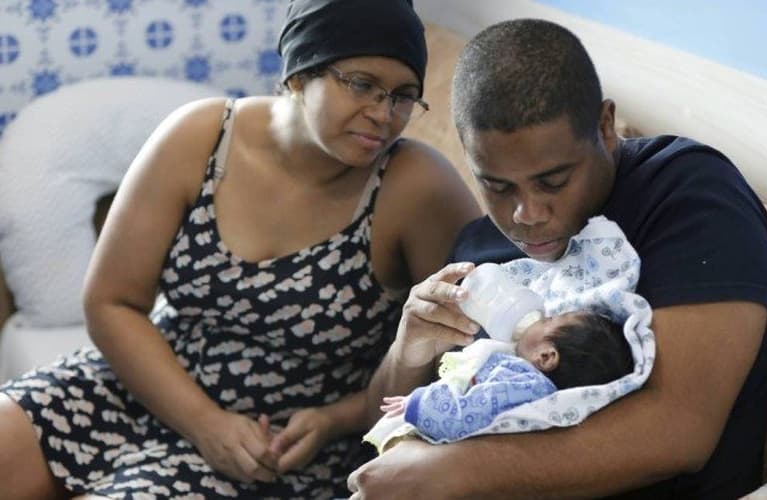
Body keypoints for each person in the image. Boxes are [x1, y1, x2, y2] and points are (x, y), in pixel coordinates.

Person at [0, 0, 480, 498]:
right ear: (300, 73)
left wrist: (336, 419)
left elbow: (463, 352)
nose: (383, 114)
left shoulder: (417, 187)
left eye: (403, 96)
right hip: (147, 384)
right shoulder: (202, 138)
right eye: (361, 84)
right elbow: (111, 302)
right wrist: (204, 422)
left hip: (277, 448)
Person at [349, 18, 767, 500]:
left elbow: (680, 430)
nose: (526, 215)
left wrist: (453, 470)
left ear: (605, 127)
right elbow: (378, 428)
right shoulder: (478, 250)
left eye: (552, 182)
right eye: (497, 185)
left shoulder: (687, 194)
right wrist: (410, 348)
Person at [367, 310, 633, 449]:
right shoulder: (528, 386)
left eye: (550, 320)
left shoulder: (526, 386)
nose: (542, 316)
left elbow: (466, 414)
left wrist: (419, 402)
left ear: (546, 356)